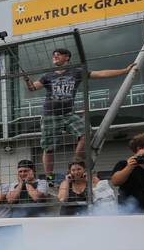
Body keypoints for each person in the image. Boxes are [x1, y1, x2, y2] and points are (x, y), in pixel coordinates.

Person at [24, 48, 135, 179]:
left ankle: (75, 164)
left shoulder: (76, 73)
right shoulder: (47, 76)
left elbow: (100, 74)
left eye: (58, 55)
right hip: (50, 114)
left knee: (85, 133)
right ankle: (49, 178)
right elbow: (32, 88)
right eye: (53, 55)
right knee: (48, 148)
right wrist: (27, 80)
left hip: (68, 114)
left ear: (67, 58)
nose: (55, 57)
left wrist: (124, 71)